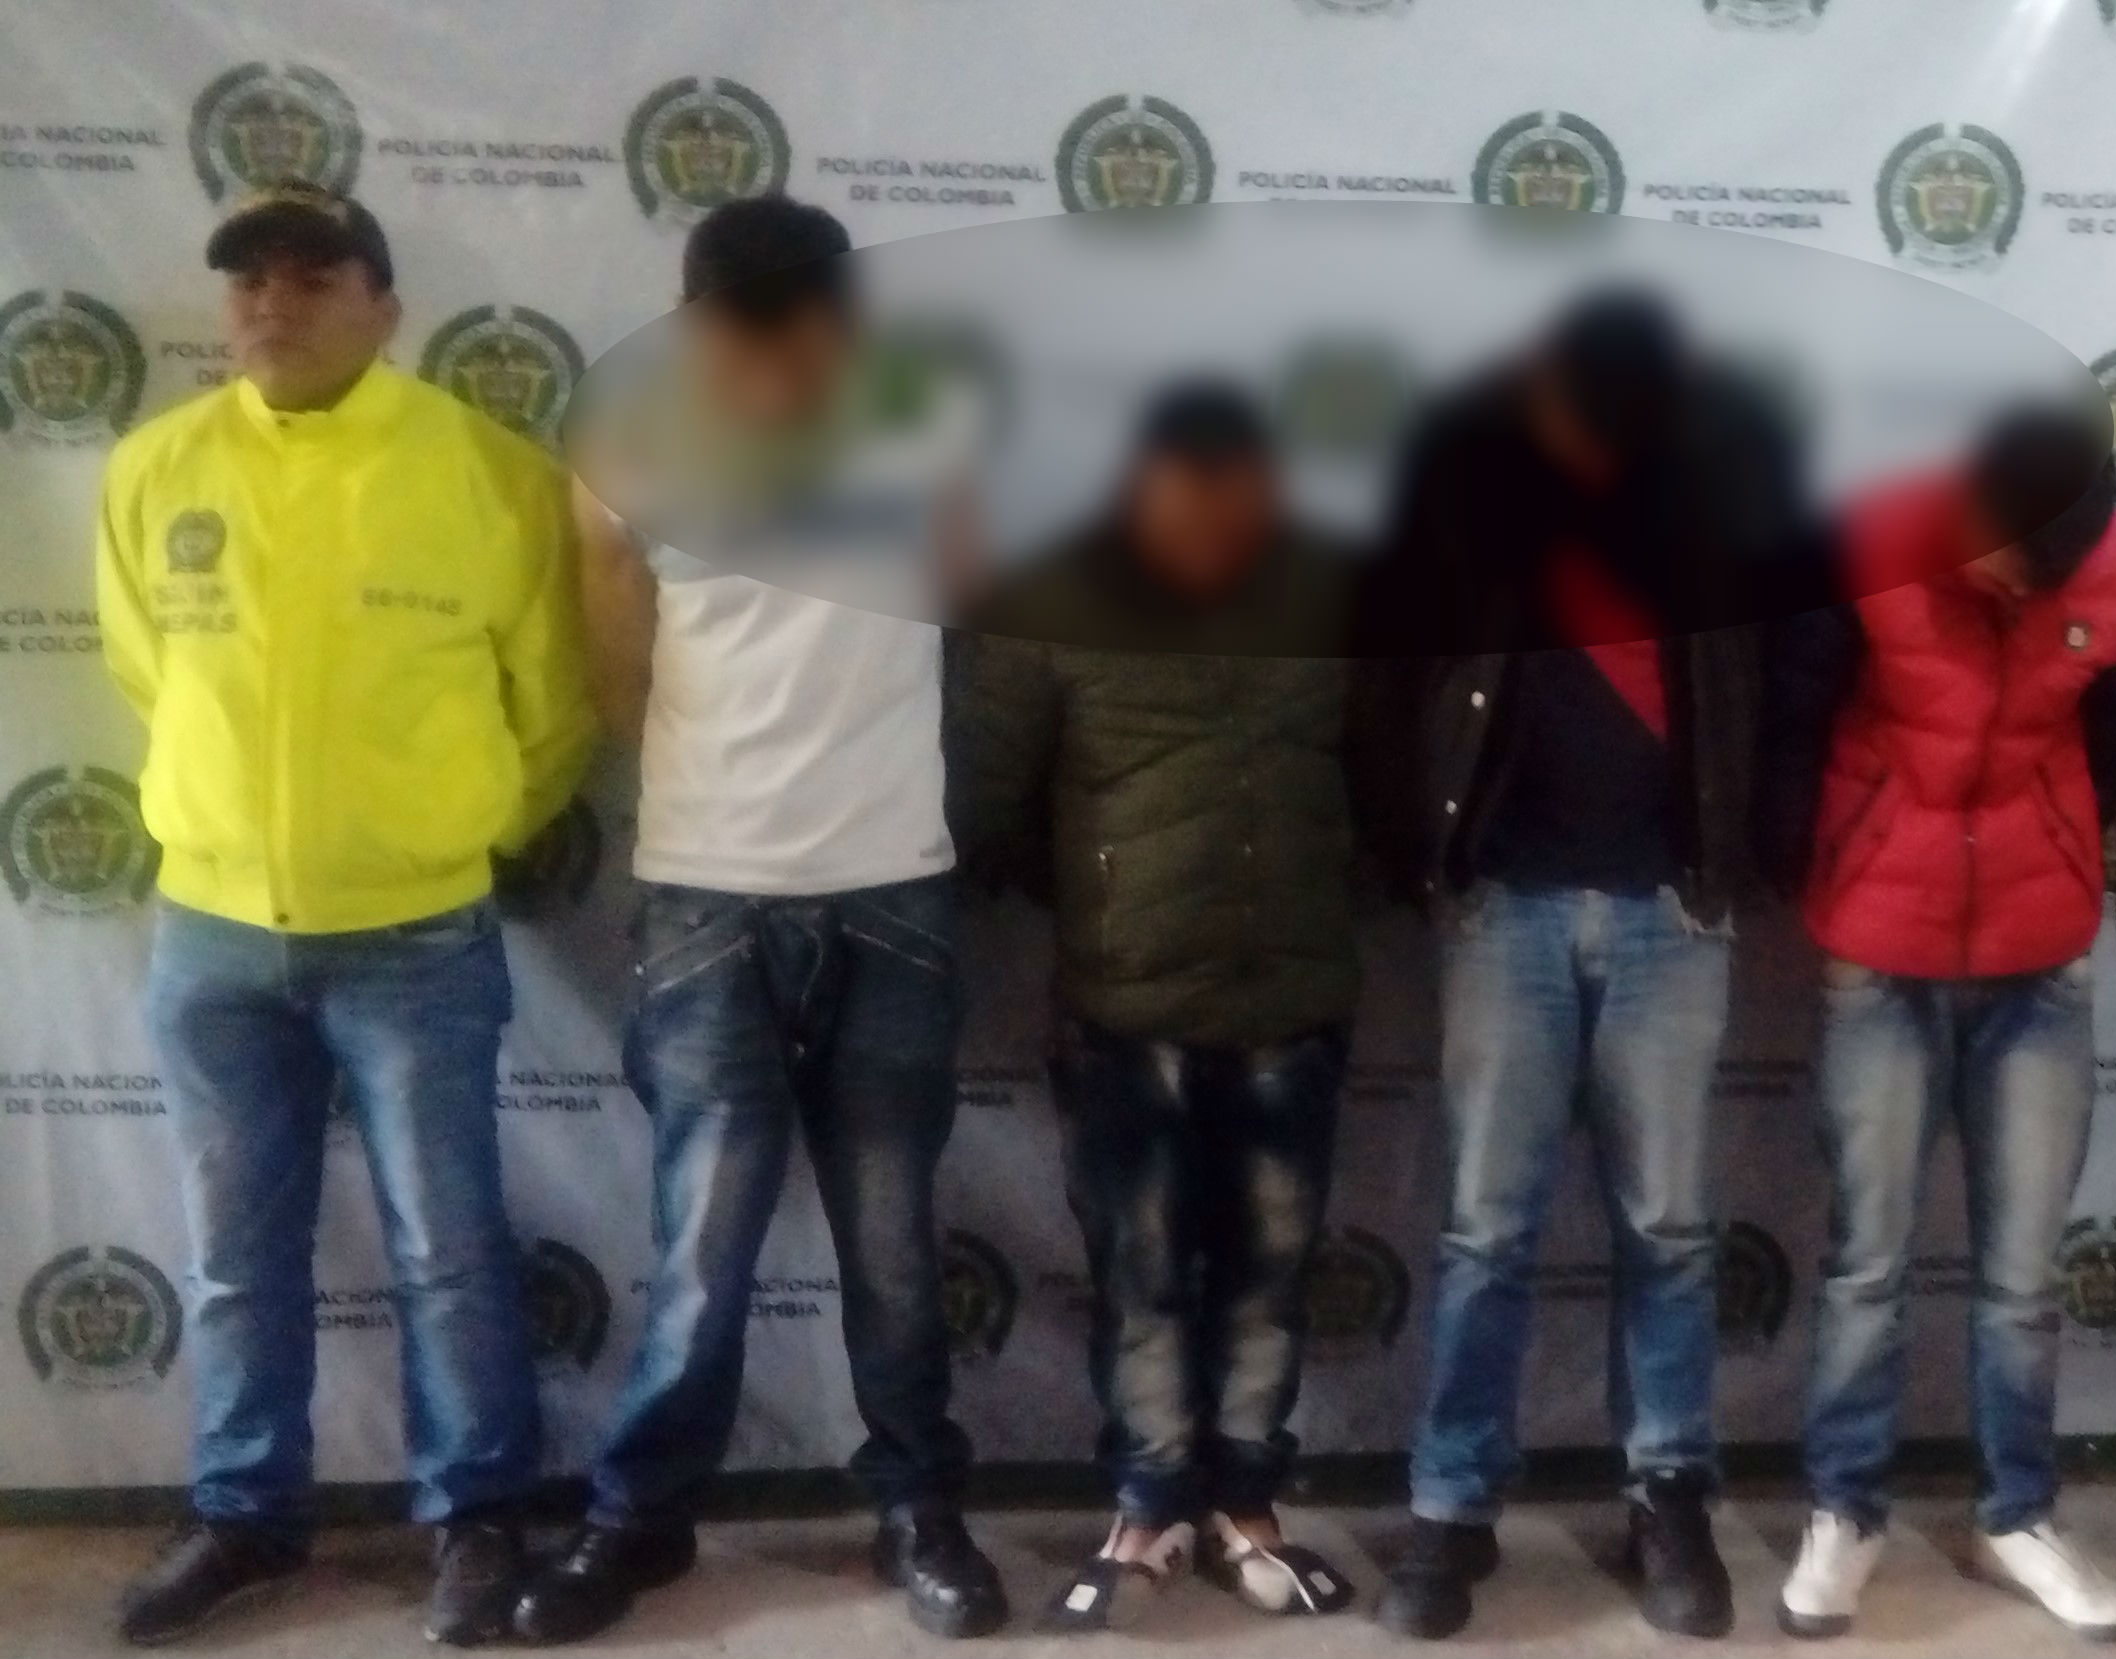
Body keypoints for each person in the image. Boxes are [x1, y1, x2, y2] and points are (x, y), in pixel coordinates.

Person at [96, 183, 595, 1646]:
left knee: (447, 1245)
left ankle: (476, 1515)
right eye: (249, 280)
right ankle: (245, 1514)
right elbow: (145, 670)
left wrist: (449, 832)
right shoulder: (156, 468)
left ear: (385, 308)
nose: (274, 303)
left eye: (315, 278)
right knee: (234, 1256)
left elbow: (554, 703)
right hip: (211, 937)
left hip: (415, 937)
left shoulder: (486, 473)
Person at [508, 195, 1006, 1644]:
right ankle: (640, 1519)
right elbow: (620, 679)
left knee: (894, 1242)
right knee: (702, 1250)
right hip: (710, 895)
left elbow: (975, 622)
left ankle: (919, 1507)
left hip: (893, 891)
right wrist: (728, 798)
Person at [1356, 291, 1813, 1642]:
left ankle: (1667, 1491)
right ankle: (1451, 1505)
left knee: (1668, 1229)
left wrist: (1745, 854)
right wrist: (1421, 855)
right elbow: (1385, 683)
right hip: (1508, 912)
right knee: (1485, 1230)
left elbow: (1791, 688)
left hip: (1672, 914)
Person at [946, 385, 1367, 1629]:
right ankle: (1147, 1506)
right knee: (1141, 1277)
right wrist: (1106, 900)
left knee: (1269, 1274)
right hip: (1125, 1010)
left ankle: (1247, 1505)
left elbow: (1393, 779)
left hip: (1292, 1000)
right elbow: (985, 801)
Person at [1764, 408, 2116, 1642]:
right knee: (1867, 1262)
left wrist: (2053, 840)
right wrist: (1837, 856)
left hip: (2040, 959)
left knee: (2023, 1275)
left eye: (2041, 569)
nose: (2009, 580)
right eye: (1997, 549)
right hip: (1878, 946)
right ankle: (1845, 1510)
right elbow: (1795, 717)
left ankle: (2018, 1517)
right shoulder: (1868, 539)